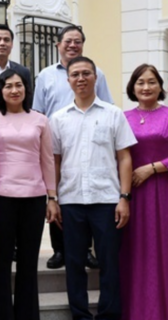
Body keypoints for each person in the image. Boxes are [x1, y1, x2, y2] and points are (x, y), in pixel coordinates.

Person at [50, 56, 135, 320]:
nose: (81, 78)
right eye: (75, 74)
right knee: (74, 263)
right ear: (68, 80)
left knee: (109, 262)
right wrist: (53, 198)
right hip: (71, 200)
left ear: (95, 77)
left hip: (107, 200)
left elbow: (125, 158)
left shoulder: (113, 114)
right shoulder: (58, 119)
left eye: (86, 73)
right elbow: (55, 162)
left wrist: (124, 197)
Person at [120, 64, 168, 320]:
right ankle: (133, 318)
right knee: (133, 253)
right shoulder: (123, 117)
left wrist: (153, 168)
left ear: (161, 86)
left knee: (161, 253)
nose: (146, 87)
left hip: (161, 191)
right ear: (133, 87)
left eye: (151, 82)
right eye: (140, 82)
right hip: (130, 192)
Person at [0, 69, 58, 320]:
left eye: (19, 85)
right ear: (0, 91)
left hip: (34, 196)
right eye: (8, 86)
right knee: (2, 259)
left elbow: (48, 160)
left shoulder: (40, 120)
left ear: (26, 89)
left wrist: (52, 197)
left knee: (29, 260)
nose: (14, 90)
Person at [33, 25, 112, 270]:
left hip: (89, 140)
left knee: (84, 194)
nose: (72, 45)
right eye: (68, 41)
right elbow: (38, 110)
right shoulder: (45, 75)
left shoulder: (96, 72)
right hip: (55, 140)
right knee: (57, 193)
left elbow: (107, 104)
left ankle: (86, 250)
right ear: (58, 45)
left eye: (78, 41)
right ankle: (59, 249)